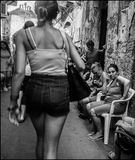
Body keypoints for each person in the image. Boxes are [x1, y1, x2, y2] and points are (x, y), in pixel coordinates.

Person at [8, 1, 85, 159]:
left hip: (34, 89)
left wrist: (13, 102)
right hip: (59, 90)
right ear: (56, 14)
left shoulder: (23, 35)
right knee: (51, 148)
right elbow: (81, 65)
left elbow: (19, 73)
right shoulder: (64, 35)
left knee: (41, 138)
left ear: (37, 11)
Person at [87, 64, 130, 141]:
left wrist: (123, 97)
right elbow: (104, 91)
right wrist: (106, 81)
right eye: (109, 72)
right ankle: (96, 130)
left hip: (116, 105)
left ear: (117, 72)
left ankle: (100, 133)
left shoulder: (118, 78)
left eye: (113, 72)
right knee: (89, 106)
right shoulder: (111, 80)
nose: (111, 74)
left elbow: (127, 82)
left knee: (93, 111)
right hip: (107, 102)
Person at [16, 20, 35, 123]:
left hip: (27, 70)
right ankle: (22, 113)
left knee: (23, 91)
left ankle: (21, 112)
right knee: (26, 92)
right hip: (29, 70)